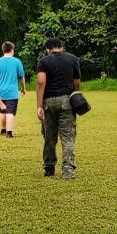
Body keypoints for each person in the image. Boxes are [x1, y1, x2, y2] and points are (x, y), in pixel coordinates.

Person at [35, 38, 82, 179]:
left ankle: (49, 168)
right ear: (61, 47)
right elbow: (77, 82)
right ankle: (68, 171)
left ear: (47, 49)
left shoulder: (43, 61)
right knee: (67, 137)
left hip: (49, 102)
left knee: (49, 136)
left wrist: (39, 105)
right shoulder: (72, 59)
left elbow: (41, 82)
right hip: (67, 101)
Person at [0, 41, 26, 137]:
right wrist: (23, 88)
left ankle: (3, 129)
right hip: (12, 92)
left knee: (2, 111)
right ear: (12, 50)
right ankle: (9, 132)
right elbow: (21, 76)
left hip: (0, 91)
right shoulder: (17, 62)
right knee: (10, 112)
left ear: (3, 50)